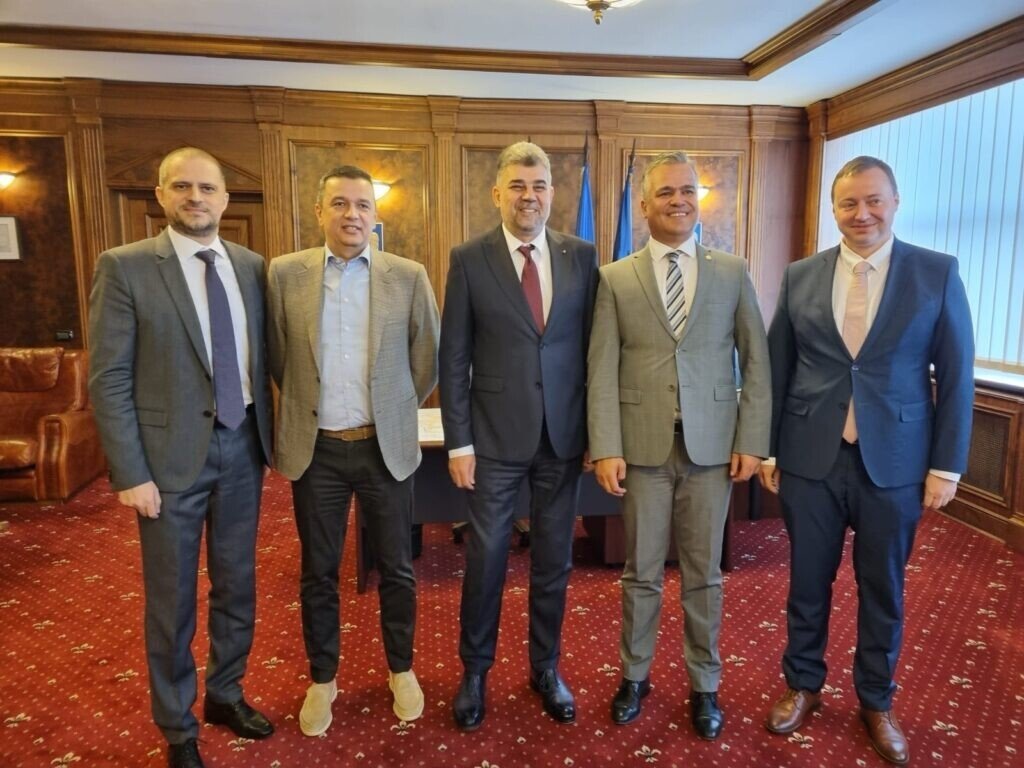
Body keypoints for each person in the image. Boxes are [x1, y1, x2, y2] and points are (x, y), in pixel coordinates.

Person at [760, 156, 974, 765]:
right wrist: (770, 447)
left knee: (883, 587)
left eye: (874, 200)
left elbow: (956, 373)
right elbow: (778, 367)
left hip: (897, 463)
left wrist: (947, 466)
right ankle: (803, 684)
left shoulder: (935, 273)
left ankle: (877, 700)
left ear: (895, 202)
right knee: (807, 582)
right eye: (849, 203)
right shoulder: (801, 275)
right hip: (811, 459)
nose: (862, 214)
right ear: (834, 209)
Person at [88, 147, 274, 768]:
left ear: (225, 199)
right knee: (171, 601)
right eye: (182, 186)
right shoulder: (126, 267)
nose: (196, 197)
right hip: (165, 465)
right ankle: (176, 726)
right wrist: (130, 471)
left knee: (237, 584)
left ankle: (226, 693)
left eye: (207, 188)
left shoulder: (251, 267)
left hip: (243, 447)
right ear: (161, 195)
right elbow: (109, 378)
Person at [587, 150, 770, 740]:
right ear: (644, 205)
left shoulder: (731, 271)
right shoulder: (615, 277)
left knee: (704, 574)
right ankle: (634, 676)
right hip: (641, 450)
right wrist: (605, 445)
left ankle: (705, 685)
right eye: (665, 192)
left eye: (687, 190)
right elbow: (601, 368)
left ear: (699, 198)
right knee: (640, 571)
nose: (678, 200)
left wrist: (752, 440)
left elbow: (756, 362)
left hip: (712, 450)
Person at [267, 165, 439, 736]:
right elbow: (278, 358)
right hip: (316, 451)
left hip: (383, 448)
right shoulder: (285, 274)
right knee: (319, 571)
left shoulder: (407, 276)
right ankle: (323, 678)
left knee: (397, 568)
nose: (352, 214)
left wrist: (393, 405)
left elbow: (426, 358)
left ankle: (401, 669)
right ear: (319, 211)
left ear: (375, 214)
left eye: (362, 205)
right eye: (339, 203)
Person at [439, 141, 598, 730]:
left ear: (552, 193)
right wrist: (459, 443)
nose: (528, 196)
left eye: (538, 186)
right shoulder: (469, 258)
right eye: (517, 186)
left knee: (554, 561)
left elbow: (594, 350)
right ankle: (475, 671)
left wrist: (598, 435)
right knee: (486, 561)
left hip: (563, 438)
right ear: (497, 193)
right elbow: (454, 357)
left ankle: (545, 668)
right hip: (494, 442)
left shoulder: (582, 256)